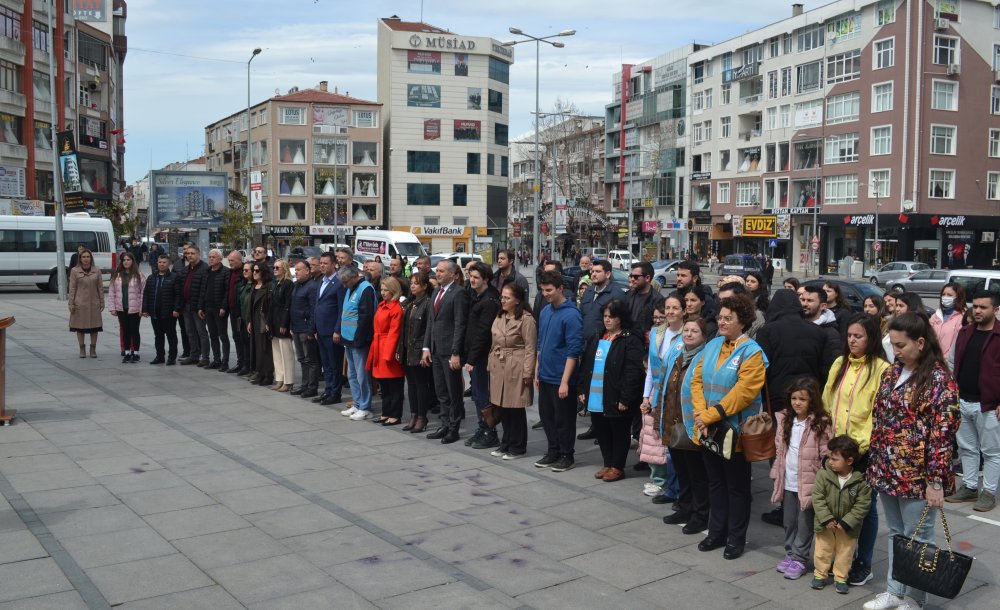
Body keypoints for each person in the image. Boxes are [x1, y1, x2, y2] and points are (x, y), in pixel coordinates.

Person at [863, 312, 959, 610]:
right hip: (887, 470)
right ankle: (894, 590)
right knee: (897, 533)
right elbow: (881, 418)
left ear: (920, 342)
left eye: (901, 344)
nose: (896, 350)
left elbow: (942, 436)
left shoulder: (940, 380)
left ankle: (915, 598)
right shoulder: (893, 372)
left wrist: (935, 481)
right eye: (892, 344)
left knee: (920, 537)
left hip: (917, 477)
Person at [691, 295, 769, 560]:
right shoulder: (712, 345)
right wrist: (701, 414)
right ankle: (716, 532)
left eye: (728, 318)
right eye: (720, 317)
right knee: (715, 483)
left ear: (742, 321)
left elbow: (744, 392)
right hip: (708, 429)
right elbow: (696, 380)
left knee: (736, 488)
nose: (721, 322)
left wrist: (711, 414)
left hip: (734, 433)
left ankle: (736, 538)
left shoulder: (752, 352)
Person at [820, 312, 889, 586]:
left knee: (865, 508)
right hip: (836, 447)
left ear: (871, 338)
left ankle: (864, 562)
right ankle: (839, 558)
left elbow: (879, 414)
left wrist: (860, 447)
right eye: (849, 335)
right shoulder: (840, 363)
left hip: (862, 451)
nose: (852, 341)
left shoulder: (882, 369)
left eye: (858, 336)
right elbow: (827, 400)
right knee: (836, 504)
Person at [770, 378, 833, 581]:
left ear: (812, 401)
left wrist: (823, 475)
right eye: (794, 398)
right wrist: (776, 472)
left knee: (805, 522)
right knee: (788, 521)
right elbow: (780, 449)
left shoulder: (819, 423)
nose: (797, 402)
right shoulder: (785, 419)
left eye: (802, 399)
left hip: (809, 482)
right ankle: (790, 552)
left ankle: (800, 558)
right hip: (788, 480)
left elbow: (826, 453)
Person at [577, 299, 645, 482]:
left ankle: (617, 466)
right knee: (602, 431)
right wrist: (582, 389)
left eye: (611, 317)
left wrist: (626, 398)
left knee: (619, 432)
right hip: (596, 395)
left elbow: (633, 371)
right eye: (605, 316)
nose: (607, 320)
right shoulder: (599, 336)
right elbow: (586, 363)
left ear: (621, 318)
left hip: (616, 396)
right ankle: (607, 463)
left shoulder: (630, 339)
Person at [947, 290, 1000, 513]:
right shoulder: (965, 332)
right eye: (975, 306)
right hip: (963, 401)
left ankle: (988, 492)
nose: (977, 310)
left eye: (983, 307)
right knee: (968, 449)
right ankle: (969, 487)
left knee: (992, 452)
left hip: (988, 405)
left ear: (995, 310)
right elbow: (951, 362)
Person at [660, 317, 711, 533]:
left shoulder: (704, 358)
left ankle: (700, 514)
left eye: (694, 331)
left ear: (704, 336)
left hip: (691, 424)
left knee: (696, 473)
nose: (689, 334)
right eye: (687, 330)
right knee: (682, 470)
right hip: (673, 421)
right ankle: (684, 506)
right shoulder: (678, 356)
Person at [533, 270, 584, 472]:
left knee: (564, 420)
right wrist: (537, 370)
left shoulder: (571, 315)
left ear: (560, 288)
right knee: (547, 417)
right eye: (542, 290)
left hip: (561, 377)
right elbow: (540, 344)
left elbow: (574, 351)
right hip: (545, 375)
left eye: (549, 290)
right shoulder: (545, 311)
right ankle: (552, 450)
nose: (545, 294)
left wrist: (565, 381)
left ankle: (566, 454)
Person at [811, 435, 872, 594]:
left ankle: (841, 577)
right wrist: (826, 518)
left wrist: (847, 522)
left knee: (845, 553)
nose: (830, 462)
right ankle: (820, 574)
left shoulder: (860, 480)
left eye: (835, 459)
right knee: (822, 550)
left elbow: (863, 504)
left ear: (849, 461)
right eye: (830, 457)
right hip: (825, 525)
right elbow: (817, 498)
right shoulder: (823, 475)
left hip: (847, 527)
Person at [641, 297, 684, 501]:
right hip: (656, 394)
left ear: (683, 311)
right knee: (654, 439)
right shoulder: (658, 333)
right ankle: (662, 482)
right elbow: (651, 369)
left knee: (672, 444)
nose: (670, 311)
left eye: (675, 307)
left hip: (676, 397)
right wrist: (645, 396)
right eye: (668, 307)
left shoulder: (687, 334)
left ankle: (674, 488)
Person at [488, 282, 537, 459]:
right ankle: (506, 442)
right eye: (502, 297)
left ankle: (518, 446)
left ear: (517, 300)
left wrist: (527, 372)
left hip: (516, 365)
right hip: (498, 365)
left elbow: (530, 348)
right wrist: (490, 364)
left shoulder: (526, 319)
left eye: (507, 298)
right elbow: (494, 342)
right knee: (502, 406)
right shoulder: (500, 316)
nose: (503, 300)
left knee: (515, 408)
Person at [422, 260, 470, 443]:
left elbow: (460, 324)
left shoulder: (458, 294)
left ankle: (453, 427)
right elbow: (431, 322)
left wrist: (456, 352)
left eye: (442, 271)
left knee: (453, 392)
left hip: (450, 351)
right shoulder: (436, 291)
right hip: (435, 349)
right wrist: (426, 347)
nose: (438, 274)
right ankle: (444, 423)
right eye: (437, 271)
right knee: (441, 391)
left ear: (453, 274)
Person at [464, 262, 502, 449]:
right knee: (478, 395)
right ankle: (482, 428)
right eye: (471, 276)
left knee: (483, 395)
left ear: (486, 279)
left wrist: (471, 358)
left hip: (483, 355)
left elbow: (482, 332)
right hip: (475, 353)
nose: (472, 280)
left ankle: (490, 431)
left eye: (476, 277)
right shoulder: (475, 295)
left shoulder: (490, 300)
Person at [338, 265, 377, 421]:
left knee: (362, 375)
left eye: (346, 281)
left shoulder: (365, 289)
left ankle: (365, 406)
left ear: (354, 277)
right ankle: (357, 402)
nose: (344, 285)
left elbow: (366, 316)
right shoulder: (351, 287)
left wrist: (359, 339)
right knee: (351, 374)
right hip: (348, 338)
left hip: (359, 339)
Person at [399, 271, 434, 433]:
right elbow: (403, 329)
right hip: (407, 349)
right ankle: (413, 415)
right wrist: (400, 349)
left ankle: (422, 416)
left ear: (425, 286)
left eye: (416, 283)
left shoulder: (427, 303)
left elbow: (428, 329)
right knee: (411, 384)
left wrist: (425, 350)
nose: (412, 285)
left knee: (421, 385)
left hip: (419, 350)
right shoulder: (409, 303)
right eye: (411, 282)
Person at [368, 277, 405, 425]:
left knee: (394, 384)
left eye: (386, 290)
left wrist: (388, 354)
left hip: (388, 347)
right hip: (379, 345)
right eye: (382, 290)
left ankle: (395, 414)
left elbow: (394, 332)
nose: (383, 293)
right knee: (384, 383)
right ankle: (386, 412)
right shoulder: (383, 305)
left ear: (394, 291)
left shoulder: (395, 308)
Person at [314, 253, 345, 405]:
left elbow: (341, 308)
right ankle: (328, 390)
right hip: (320, 329)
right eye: (321, 262)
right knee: (326, 364)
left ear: (334, 265)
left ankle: (335, 392)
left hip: (332, 330)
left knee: (334, 363)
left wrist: (337, 329)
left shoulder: (339, 283)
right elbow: (317, 305)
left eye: (325, 263)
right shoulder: (321, 281)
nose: (322, 265)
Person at [142, 254, 181, 365]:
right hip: (155, 312)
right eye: (160, 262)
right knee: (158, 336)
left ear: (168, 263)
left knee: (171, 335)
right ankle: (160, 356)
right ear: (157, 263)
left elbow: (178, 295)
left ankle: (172, 358)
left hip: (169, 313)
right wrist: (145, 309)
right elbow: (146, 294)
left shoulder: (174, 277)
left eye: (164, 262)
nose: (162, 264)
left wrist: (176, 309)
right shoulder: (151, 277)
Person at [107, 252, 145, 363]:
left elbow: (143, 292)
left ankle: (136, 353)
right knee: (125, 331)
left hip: (135, 308)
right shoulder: (117, 276)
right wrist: (112, 307)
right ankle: (127, 352)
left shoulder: (139, 275)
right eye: (124, 260)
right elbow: (112, 292)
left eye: (128, 260)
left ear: (132, 261)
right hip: (121, 308)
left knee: (134, 330)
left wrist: (142, 308)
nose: (126, 262)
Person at [290, 260, 319, 398]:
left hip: (306, 328)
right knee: (301, 358)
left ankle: (312, 387)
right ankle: (304, 385)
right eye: (295, 270)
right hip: (296, 327)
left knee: (310, 359)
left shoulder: (312, 286)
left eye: (299, 270)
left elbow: (314, 310)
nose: (296, 272)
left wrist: (311, 330)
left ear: (307, 271)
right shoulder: (296, 285)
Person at [579, 260, 626, 342]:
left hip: (604, 344)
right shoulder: (588, 292)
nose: (593, 274)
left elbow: (621, 323)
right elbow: (581, 316)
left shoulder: (617, 294)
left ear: (607, 274)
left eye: (598, 271)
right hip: (584, 344)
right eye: (592, 271)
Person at [199, 249, 231, 370]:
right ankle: (216, 360)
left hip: (219, 309)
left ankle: (225, 361)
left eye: (213, 257)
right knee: (212, 335)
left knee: (222, 335)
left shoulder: (225, 272)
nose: (211, 259)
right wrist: (200, 307)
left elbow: (227, 291)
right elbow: (203, 290)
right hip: (208, 308)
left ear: (220, 258)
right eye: (209, 257)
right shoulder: (206, 272)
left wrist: (223, 307)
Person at [179, 245, 210, 366]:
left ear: (198, 254)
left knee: (201, 332)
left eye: (192, 253)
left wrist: (201, 307)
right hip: (186, 306)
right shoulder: (186, 269)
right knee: (190, 332)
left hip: (198, 308)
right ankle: (194, 355)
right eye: (188, 253)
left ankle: (205, 357)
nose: (189, 255)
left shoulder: (204, 269)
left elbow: (204, 290)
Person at [267, 259, 295, 391]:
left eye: (277, 268)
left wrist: (284, 323)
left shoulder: (288, 284)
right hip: (273, 321)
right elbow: (270, 305)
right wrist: (268, 322)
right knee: (277, 353)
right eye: (274, 267)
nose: (275, 270)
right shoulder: (275, 284)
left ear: (284, 269)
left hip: (282, 322)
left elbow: (287, 305)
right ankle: (280, 379)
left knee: (286, 353)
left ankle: (288, 381)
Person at [247, 261, 274, 386]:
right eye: (253, 271)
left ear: (263, 272)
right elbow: (250, 306)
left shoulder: (268, 286)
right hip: (254, 320)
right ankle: (260, 373)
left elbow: (270, 305)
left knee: (265, 348)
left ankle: (267, 374)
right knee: (256, 348)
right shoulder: (254, 286)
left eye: (257, 271)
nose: (254, 273)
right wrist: (249, 321)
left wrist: (269, 321)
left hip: (263, 321)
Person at [801, 285, 841, 366]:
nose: (804, 304)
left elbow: (834, 364)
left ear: (823, 306)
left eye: (810, 300)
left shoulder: (830, 333)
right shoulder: (797, 326)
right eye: (802, 300)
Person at [929, 282, 966, 368]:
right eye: (943, 294)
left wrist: (946, 362)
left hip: (947, 366)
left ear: (958, 298)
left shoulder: (962, 318)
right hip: (931, 362)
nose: (945, 297)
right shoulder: (936, 316)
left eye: (949, 295)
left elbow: (957, 345)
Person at [626, 262, 666, 341]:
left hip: (645, 344)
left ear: (647, 278)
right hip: (628, 341)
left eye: (636, 277)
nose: (632, 279)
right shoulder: (628, 295)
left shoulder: (658, 299)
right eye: (631, 276)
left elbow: (659, 325)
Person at [226, 251, 247, 373]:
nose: (230, 263)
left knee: (242, 337)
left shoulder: (244, 273)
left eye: (232, 260)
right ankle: (240, 362)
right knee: (236, 336)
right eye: (229, 260)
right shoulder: (229, 273)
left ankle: (246, 364)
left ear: (240, 260)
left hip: (241, 311)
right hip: (232, 310)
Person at [237, 263, 255, 377]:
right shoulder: (243, 284)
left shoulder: (254, 285)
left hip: (250, 319)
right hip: (242, 318)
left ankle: (252, 367)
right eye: (243, 270)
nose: (244, 272)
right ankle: (246, 365)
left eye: (247, 270)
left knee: (251, 345)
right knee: (244, 342)